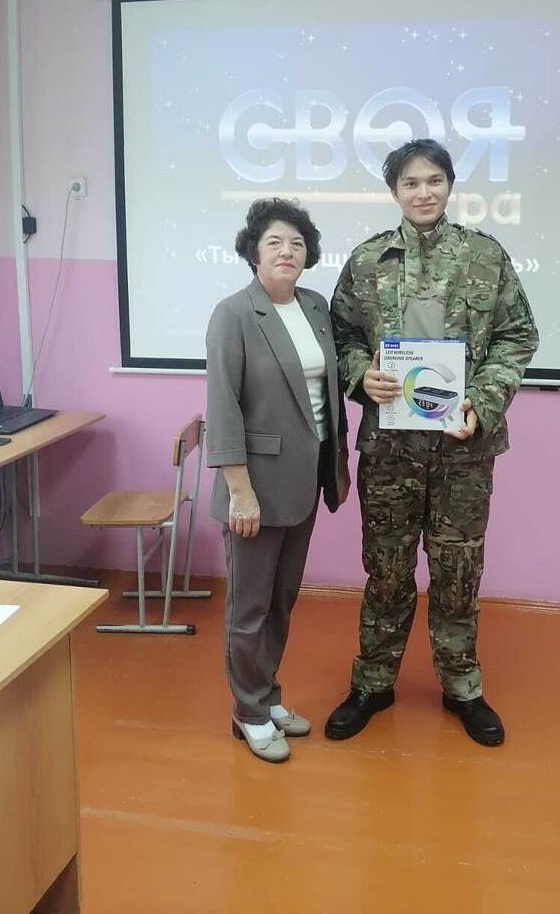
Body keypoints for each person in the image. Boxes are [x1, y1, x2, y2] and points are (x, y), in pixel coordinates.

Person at [324, 139, 538, 747]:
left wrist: (484, 401)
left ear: (450, 185)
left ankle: (462, 686)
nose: (424, 192)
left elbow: (518, 335)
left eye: (435, 180)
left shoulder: (485, 255)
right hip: (390, 451)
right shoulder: (367, 261)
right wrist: (360, 374)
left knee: (458, 571)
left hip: (463, 450)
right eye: (411, 183)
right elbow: (339, 335)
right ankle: (372, 682)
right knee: (386, 570)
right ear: (394, 191)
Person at [206, 198, 349, 764]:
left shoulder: (314, 306)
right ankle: (248, 712)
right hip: (255, 488)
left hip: (305, 480)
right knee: (249, 609)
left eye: (297, 243)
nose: (287, 251)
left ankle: (267, 698)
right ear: (253, 253)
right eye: (274, 242)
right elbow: (223, 408)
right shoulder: (234, 314)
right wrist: (240, 492)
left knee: (281, 602)